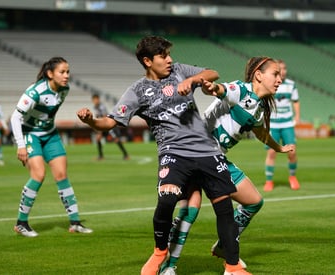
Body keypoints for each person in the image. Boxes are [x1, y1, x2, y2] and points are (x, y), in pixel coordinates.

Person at [77, 36, 244, 275]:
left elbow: (213, 73)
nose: (169, 59)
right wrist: (91, 120)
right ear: (147, 61)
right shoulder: (137, 91)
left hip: (207, 150)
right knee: (166, 200)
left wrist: (194, 79)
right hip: (173, 153)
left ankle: (233, 267)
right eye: (163, 56)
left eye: (168, 54)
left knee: (224, 207)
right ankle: (160, 252)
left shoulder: (179, 71)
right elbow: (109, 122)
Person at [160, 57, 295, 275]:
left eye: (280, 75)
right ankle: (168, 266)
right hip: (196, 152)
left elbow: (260, 131)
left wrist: (278, 148)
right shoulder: (241, 90)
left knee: (253, 201)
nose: (280, 79)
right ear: (259, 75)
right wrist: (212, 87)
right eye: (275, 74)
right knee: (191, 209)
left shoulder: (259, 107)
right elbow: (221, 90)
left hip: (217, 158)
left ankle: (225, 247)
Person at [10, 57, 92, 237]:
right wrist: (21, 146)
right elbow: (15, 118)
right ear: (50, 74)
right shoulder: (35, 92)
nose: (66, 76)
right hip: (31, 135)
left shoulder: (64, 89)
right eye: (62, 72)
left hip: (51, 135)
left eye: (68, 72)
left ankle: (75, 222)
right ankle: (21, 223)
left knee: (62, 175)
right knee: (38, 175)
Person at [264, 59, 301, 192]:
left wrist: (297, 116)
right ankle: (269, 181)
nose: (283, 71)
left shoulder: (291, 85)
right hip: (273, 124)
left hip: (287, 124)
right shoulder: (269, 84)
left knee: (292, 152)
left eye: (284, 68)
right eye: (280, 69)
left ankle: (292, 177)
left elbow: (296, 101)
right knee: (271, 152)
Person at [91, 94, 129, 160]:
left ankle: (126, 155)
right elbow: (97, 117)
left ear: (98, 99)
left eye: (96, 99)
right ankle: (101, 156)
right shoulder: (95, 107)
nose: (95, 101)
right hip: (103, 125)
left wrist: (100, 128)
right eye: (94, 100)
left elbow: (105, 116)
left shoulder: (101, 107)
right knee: (98, 139)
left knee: (116, 140)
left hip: (108, 125)